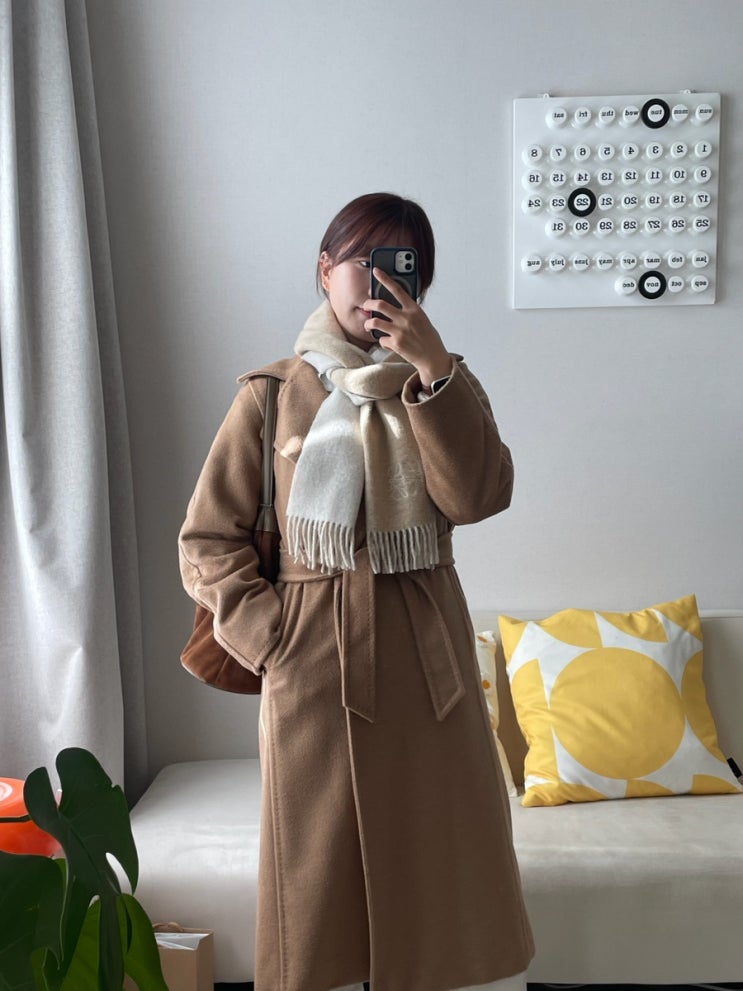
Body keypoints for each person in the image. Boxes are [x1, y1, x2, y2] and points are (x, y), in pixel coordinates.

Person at [178, 192, 534, 991]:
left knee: (442, 866)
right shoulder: (271, 393)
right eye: (363, 262)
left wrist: (434, 372)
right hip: (311, 660)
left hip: (426, 659)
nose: (380, 282)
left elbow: (477, 497)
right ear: (324, 270)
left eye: (401, 266)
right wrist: (272, 638)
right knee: (315, 880)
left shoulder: (446, 384)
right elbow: (206, 538)